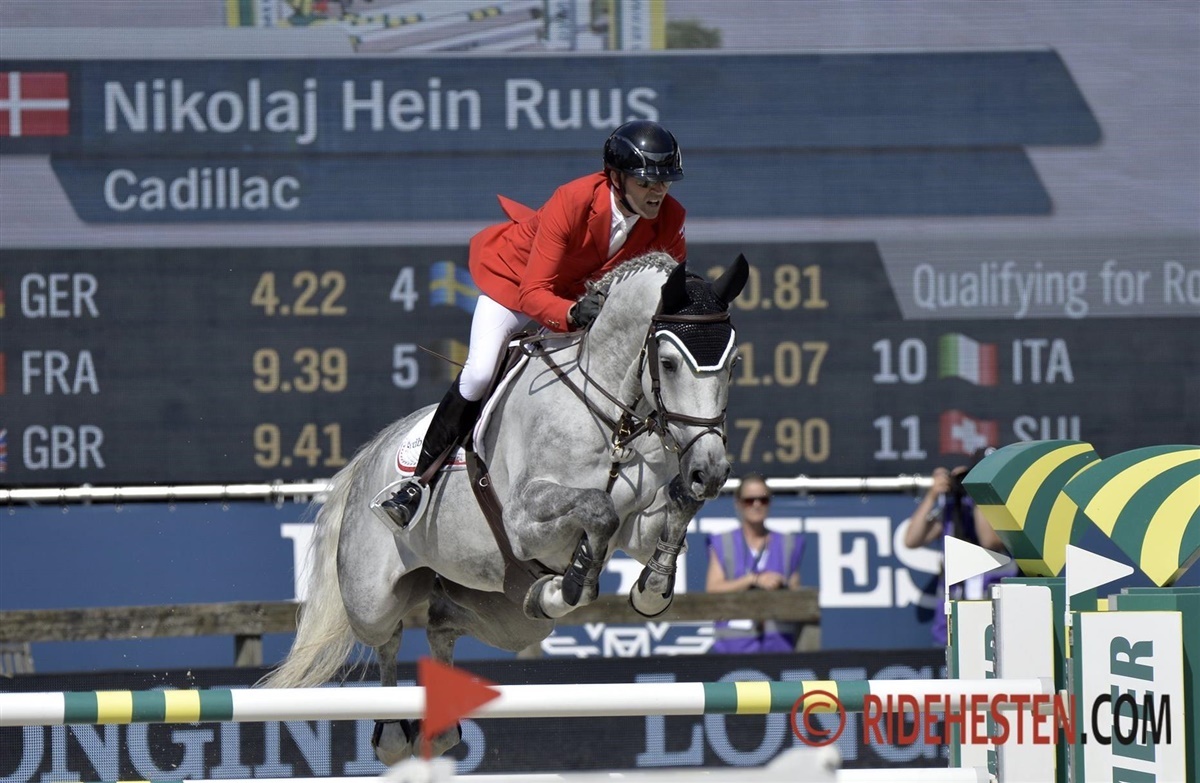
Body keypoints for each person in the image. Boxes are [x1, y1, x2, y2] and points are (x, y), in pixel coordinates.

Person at [379, 119, 687, 530]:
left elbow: (667, 293)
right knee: (480, 372)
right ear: (616, 178)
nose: (659, 191)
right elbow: (534, 292)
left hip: (584, 299)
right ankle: (416, 483)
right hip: (516, 284)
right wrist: (571, 315)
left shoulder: (671, 218)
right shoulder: (573, 200)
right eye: (647, 181)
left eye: (665, 181)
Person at [904, 449, 1013, 645]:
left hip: (995, 623)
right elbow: (911, 540)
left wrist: (980, 494)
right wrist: (933, 494)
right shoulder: (956, 507)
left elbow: (990, 541)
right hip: (952, 625)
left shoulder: (1008, 505)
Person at [706, 474, 805, 654]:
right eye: (749, 501)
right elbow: (713, 589)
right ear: (738, 503)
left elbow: (795, 592)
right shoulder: (723, 541)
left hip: (779, 646)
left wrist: (781, 585)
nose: (757, 505)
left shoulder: (788, 543)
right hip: (733, 647)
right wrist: (753, 580)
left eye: (763, 499)